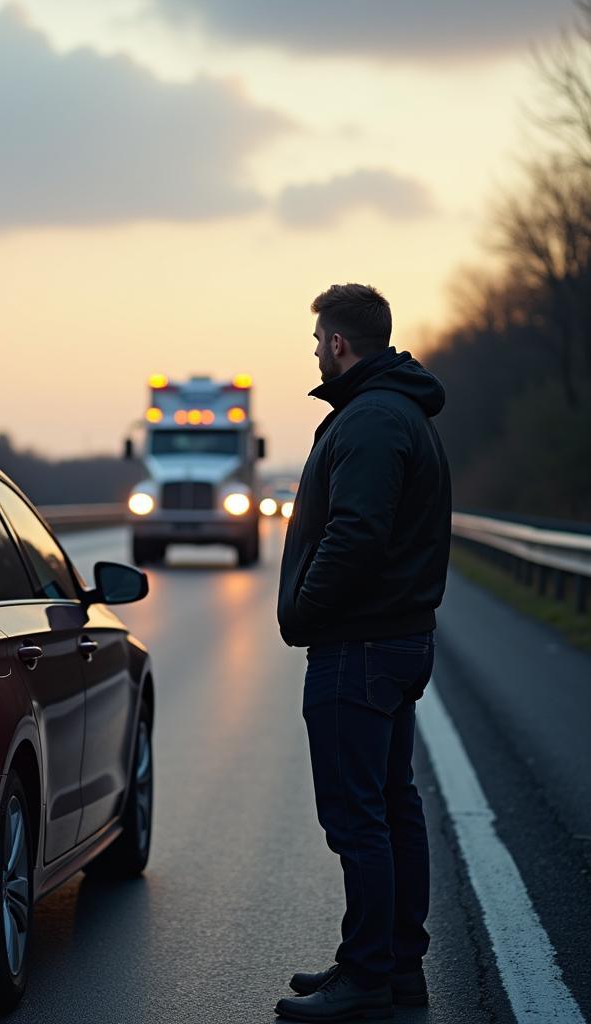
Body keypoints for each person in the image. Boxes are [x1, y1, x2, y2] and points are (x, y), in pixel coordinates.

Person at [274, 283, 452, 1022]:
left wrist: (306, 609)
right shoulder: (390, 410)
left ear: (341, 342)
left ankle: (370, 977)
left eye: (319, 340)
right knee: (388, 805)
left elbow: (357, 532)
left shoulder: (373, 419)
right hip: (392, 639)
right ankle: (389, 966)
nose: (315, 351)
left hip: (361, 643)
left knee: (359, 819)